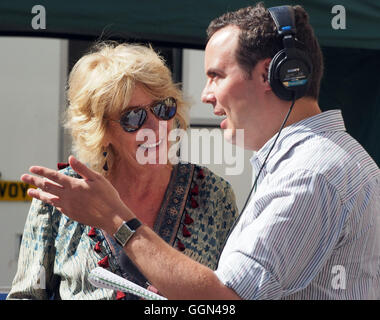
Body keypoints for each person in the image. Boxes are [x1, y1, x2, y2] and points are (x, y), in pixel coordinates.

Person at [18, 3, 380, 300]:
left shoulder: (308, 173)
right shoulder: (306, 165)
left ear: (274, 75)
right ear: (102, 131)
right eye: (131, 117)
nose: (206, 95)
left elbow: (226, 299)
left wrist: (114, 219)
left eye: (217, 75)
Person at [7, 42, 238, 300]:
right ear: (102, 131)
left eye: (163, 108)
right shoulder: (60, 199)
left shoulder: (214, 195)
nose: (155, 126)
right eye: (133, 117)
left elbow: (234, 295)